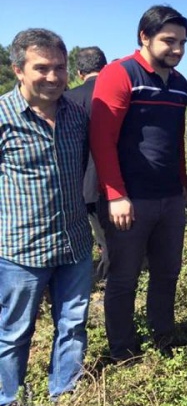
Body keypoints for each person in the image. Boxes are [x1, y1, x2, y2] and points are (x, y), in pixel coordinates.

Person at [90, 5, 187, 361]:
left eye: (182, 42)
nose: (177, 49)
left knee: (167, 272)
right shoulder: (120, 74)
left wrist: (181, 183)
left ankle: (163, 336)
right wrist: (116, 194)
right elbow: (102, 139)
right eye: (169, 41)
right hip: (130, 199)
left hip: (169, 197)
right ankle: (122, 349)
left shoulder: (179, 85)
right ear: (144, 37)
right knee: (124, 276)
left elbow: (175, 139)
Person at [0, 28, 93, 406]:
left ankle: (65, 396)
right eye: (42, 68)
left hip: (74, 241)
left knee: (73, 326)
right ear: (18, 69)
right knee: (14, 332)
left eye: (60, 67)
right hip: (21, 248)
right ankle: (9, 405)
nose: (54, 77)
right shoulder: (4, 117)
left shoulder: (77, 114)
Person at [65, 46, 109, 281]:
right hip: (120, 183)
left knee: (99, 238)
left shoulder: (69, 99)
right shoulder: (120, 93)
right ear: (105, 66)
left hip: (83, 184)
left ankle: (106, 277)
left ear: (80, 72)